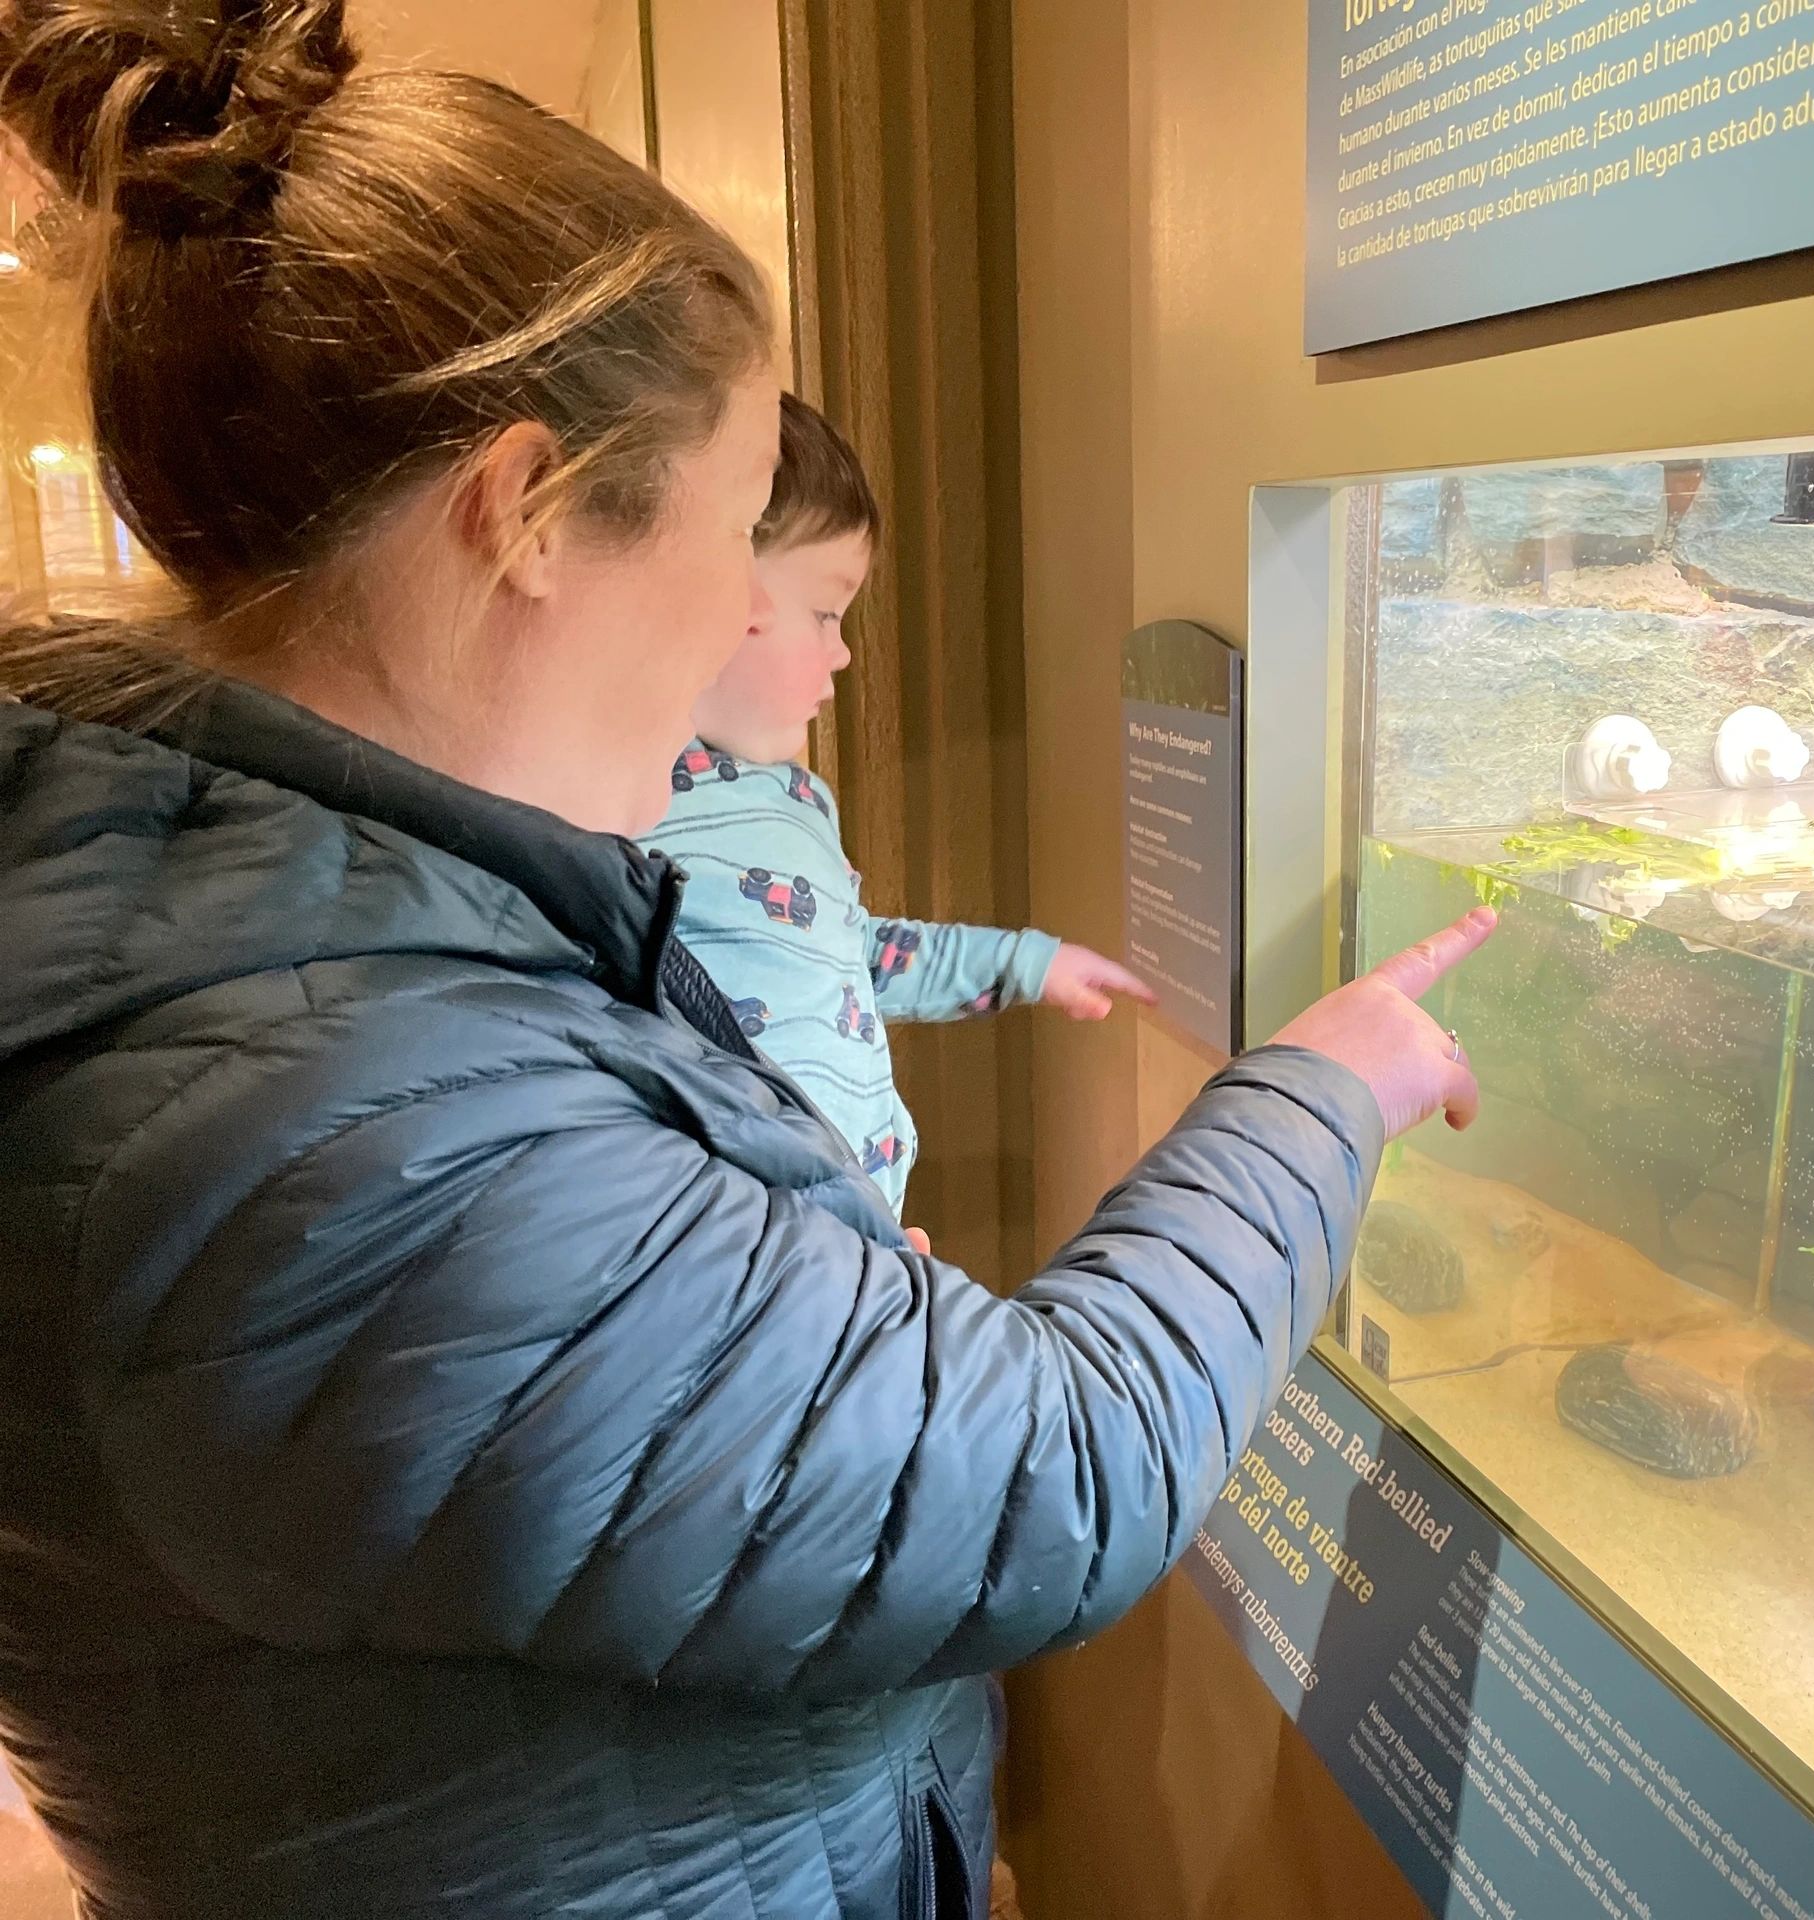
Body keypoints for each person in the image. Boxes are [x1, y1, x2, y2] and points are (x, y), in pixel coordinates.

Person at [0, 5, 1490, 1918]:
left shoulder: (307, 923)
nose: (742, 614)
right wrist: (1327, 1087)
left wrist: (786, 1297)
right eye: (728, 525)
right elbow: (1061, 1473)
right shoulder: (314, 1103)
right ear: (526, 513)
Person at [643, 394, 1152, 1213]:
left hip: (861, 1230)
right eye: (825, 613)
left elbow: (858, 957)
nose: (843, 652)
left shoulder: (802, 799)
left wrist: (1028, 963)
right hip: (754, 1253)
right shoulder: (605, 807)